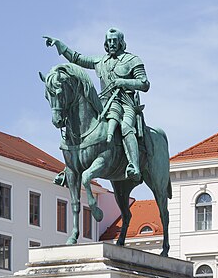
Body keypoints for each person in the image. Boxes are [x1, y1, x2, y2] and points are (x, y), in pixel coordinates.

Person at [44, 28, 150, 182]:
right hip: (105, 103)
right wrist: (60, 46)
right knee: (78, 122)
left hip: (126, 102)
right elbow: (77, 58)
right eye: (109, 41)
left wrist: (123, 81)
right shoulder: (100, 61)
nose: (112, 44)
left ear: (121, 42)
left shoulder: (133, 60)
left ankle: (134, 165)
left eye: (115, 41)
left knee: (126, 127)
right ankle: (70, 167)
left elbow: (144, 83)